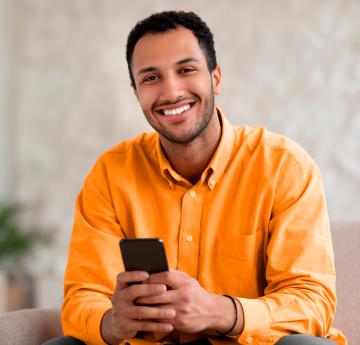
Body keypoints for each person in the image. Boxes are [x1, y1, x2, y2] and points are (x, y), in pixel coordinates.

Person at [44, 11, 347, 345]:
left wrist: (220, 312)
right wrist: (113, 323)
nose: (171, 92)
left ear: (216, 78)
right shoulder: (109, 176)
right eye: (150, 78)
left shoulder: (285, 167)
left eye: (186, 70)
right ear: (136, 94)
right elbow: (82, 298)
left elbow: (311, 302)